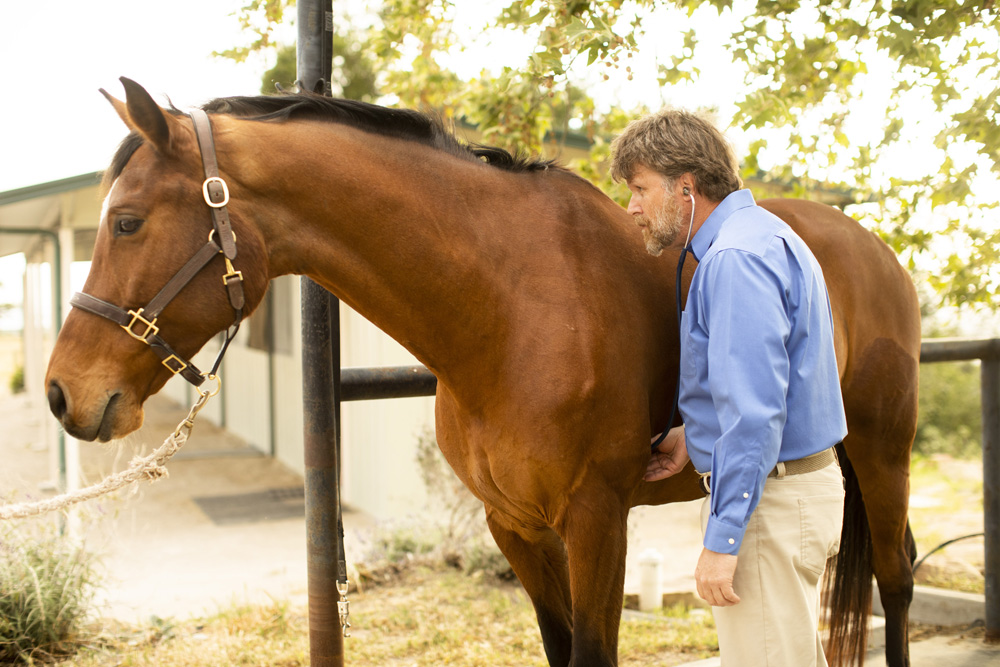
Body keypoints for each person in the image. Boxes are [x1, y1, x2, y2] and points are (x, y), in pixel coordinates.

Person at [609, 108, 848, 667]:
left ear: (685, 187)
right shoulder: (763, 235)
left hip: (771, 504)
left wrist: (723, 540)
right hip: (793, 492)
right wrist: (697, 435)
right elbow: (773, 384)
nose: (632, 208)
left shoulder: (735, 261)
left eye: (641, 189)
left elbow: (755, 414)